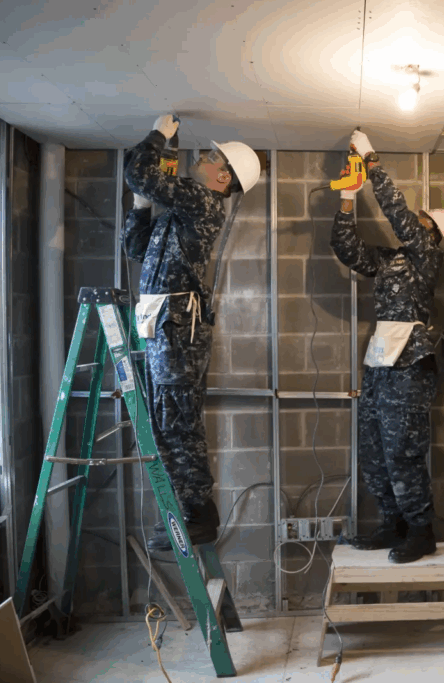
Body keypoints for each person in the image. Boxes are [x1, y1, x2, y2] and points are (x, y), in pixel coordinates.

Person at [122, 114, 262, 551]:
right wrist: (141, 207)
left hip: (176, 328)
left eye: (212, 157)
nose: (202, 156)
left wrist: (158, 136)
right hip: (164, 325)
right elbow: (137, 250)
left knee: (176, 421)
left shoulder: (202, 202)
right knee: (168, 420)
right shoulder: (184, 210)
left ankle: (198, 513)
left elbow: (138, 172)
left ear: (223, 177)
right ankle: (191, 510)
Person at [331, 129, 444, 563]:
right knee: (374, 450)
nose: (415, 222)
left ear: (435, 236)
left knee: (403, 450)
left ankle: (421, 531)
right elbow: (347, 248)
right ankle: (394, 524)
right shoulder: (393, 259)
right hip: (381, 362)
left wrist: (372, 160)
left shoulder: (428, 258)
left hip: (409, 364)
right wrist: (347, 198)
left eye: (424, 221)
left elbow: (398, 216)